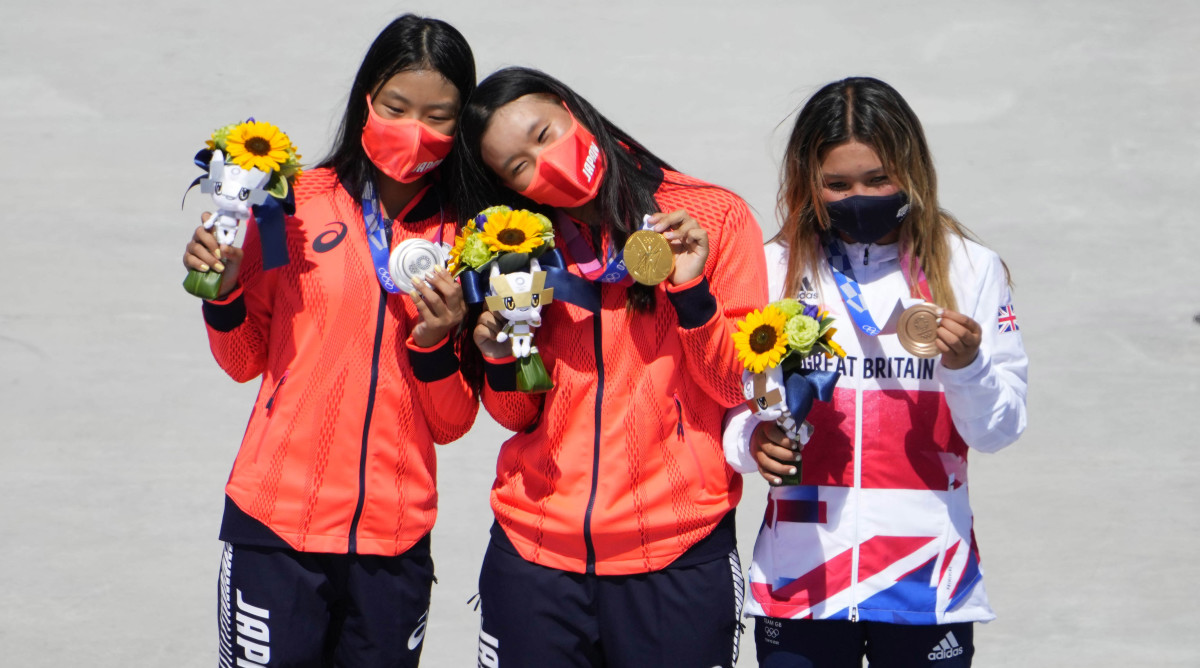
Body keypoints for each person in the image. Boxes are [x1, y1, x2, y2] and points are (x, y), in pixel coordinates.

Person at [180, 15, 478, 667]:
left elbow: (453, 424)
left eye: (438, 115)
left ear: (463, 126)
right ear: (366, 99)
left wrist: (433, 343)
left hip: (393, 543)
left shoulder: (470, 240)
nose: (412, 129)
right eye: (396, 107)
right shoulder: (292, 205)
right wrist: (224, 291)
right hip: (275, 526)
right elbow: (242, 362)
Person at [450, 67, 768, 667]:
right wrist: (498, 361)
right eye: (519, 167)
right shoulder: (519, 251)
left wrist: (691, 290)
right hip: (535, 558)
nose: (545, 164)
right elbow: (518, 415)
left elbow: (734, 384)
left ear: (572, 110)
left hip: (676, 554)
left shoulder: (708, 218)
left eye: (545, 133)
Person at [723, 77, 1028, 667]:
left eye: (877, 180)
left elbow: (1000, 430)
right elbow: (726, 406)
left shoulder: (970, 269)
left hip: (926, 580)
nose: (857, 197)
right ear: (807, 183)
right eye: (837, 184)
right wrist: (750, 441)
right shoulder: (770, 269)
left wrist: (967, 368)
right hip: (802, 579)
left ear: (910, 172)